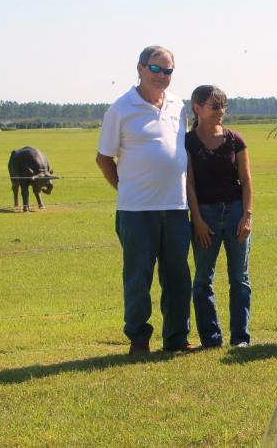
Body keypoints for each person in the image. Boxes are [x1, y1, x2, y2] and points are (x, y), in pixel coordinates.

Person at [96, 45, 194, 356]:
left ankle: (177, 338)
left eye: (168, 71)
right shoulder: (121, 109)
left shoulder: (179, 105)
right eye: (155, 69)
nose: (162, 76)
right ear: (140, 68)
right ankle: (138, 340)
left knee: (178, 276)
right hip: (137, 210)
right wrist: (124, 190)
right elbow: (104, 159)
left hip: (177, 208)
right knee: (138, 277)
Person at [185, 85, 253, 348]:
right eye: (215, 106)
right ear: (197, 108)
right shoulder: (188, 141)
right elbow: (189, 184)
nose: (221, 111)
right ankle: (211, 339)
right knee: (203, 280)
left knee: (240, 279)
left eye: (223, 106)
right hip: (206, 216)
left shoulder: (235, 139)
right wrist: (198, 220)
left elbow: (246, 181)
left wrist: (247, 216)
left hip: (235, 212)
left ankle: (240, 339)